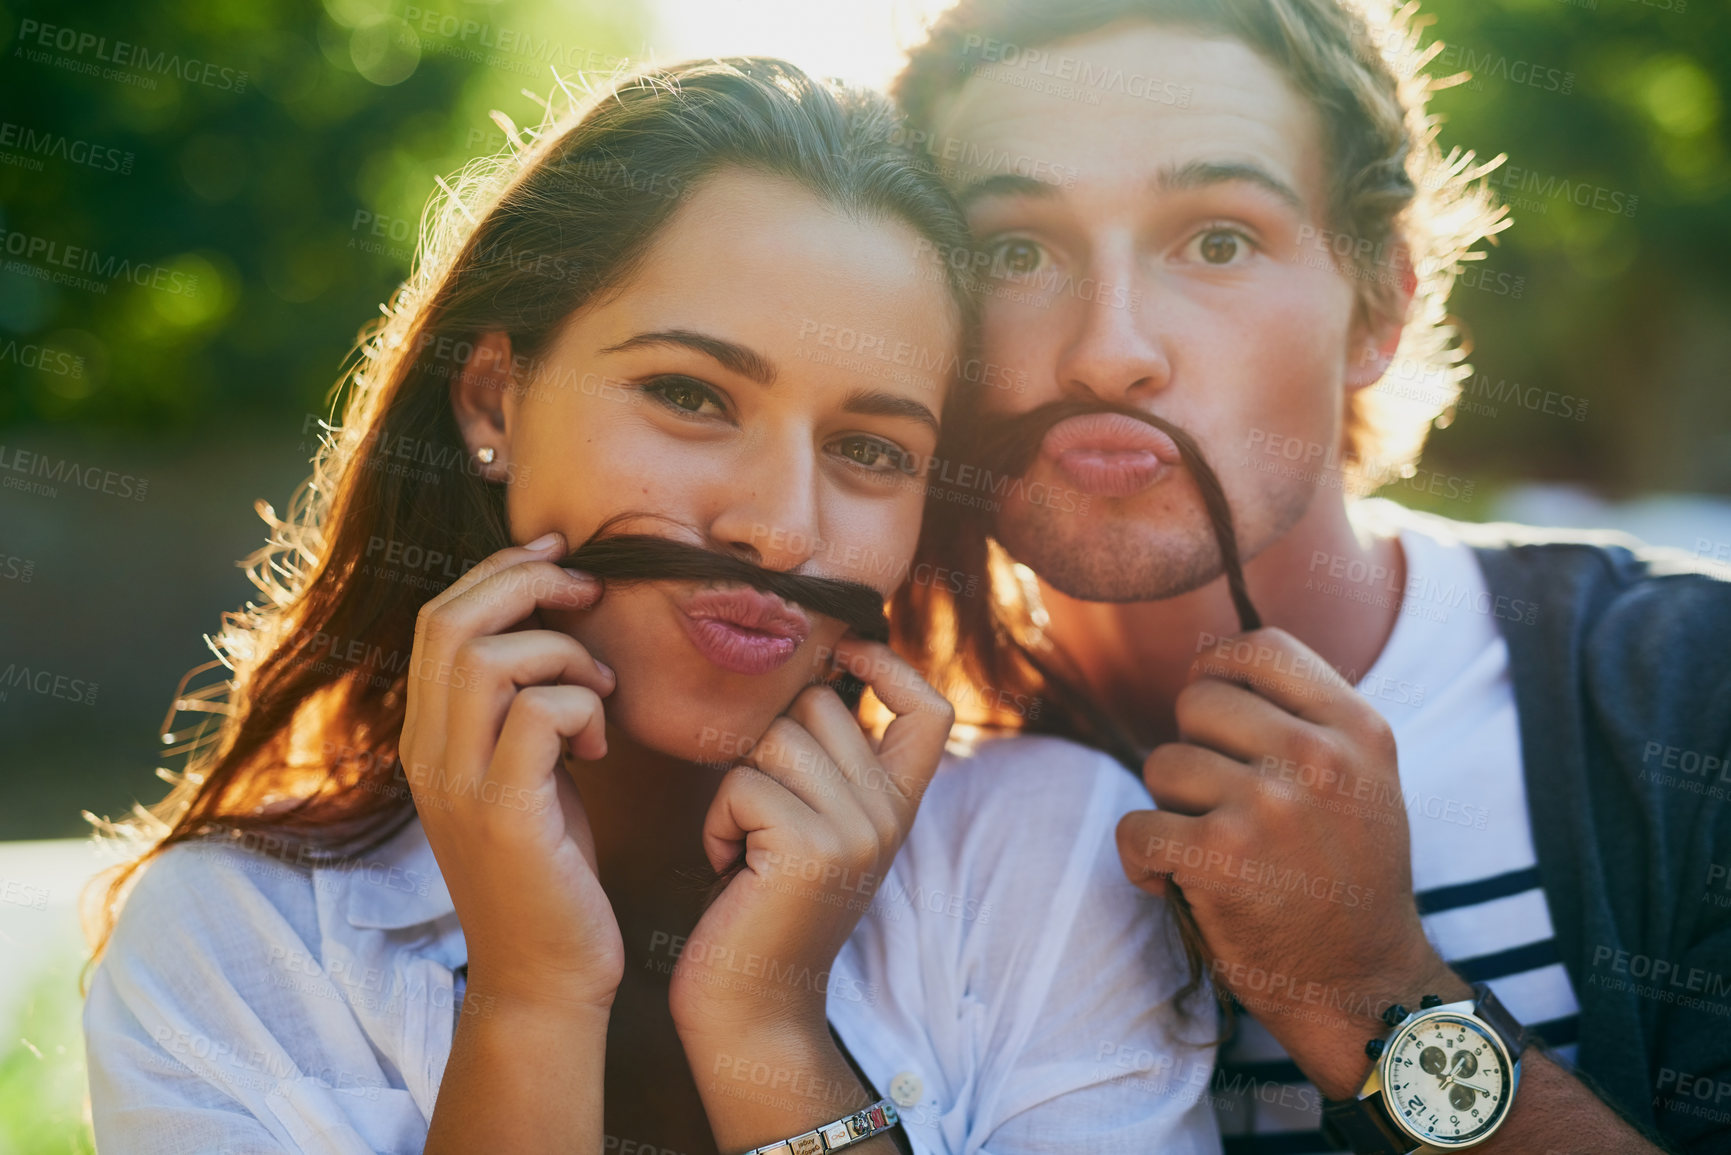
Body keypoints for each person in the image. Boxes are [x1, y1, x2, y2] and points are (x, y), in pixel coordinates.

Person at [79, 58, 1221, 1155]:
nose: (779, 528)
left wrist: (767, 1028)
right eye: (689, 395)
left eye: (871, 448)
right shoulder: (234, 946)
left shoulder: (1049, 860)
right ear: (494, 399)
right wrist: (533, 997)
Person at [890, 1, 1731, 1153]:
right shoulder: (866, 781)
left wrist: (1373, 991)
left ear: (1382, 301)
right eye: (1012, 251)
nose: (1109, 349)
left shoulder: (1692, 698)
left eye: (1218, 240)